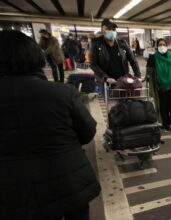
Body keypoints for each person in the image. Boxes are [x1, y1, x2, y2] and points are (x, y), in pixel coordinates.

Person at [0, 30, 100, 220]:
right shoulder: (61, 93)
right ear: (35, 55)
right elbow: (88, 132)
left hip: (14, 195)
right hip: (68, 182)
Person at [146, 39, 171, 131]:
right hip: (161, 87)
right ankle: (165, 124)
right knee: (163, 107)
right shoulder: (153, 58)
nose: (162, 46)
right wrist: (150, 85)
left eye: (164, 44)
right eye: (160, 45)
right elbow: (149, 72)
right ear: (157, 46)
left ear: (166, 46)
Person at [90, 18, 141, 85]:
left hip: (122, 82)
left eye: (113, 29)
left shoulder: (123, 43)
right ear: (102, 29)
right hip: (105, 83)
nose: (111, 31)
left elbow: (133, 61)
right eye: (108, 29)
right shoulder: (96, 43)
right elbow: (93, 64)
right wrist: (105, 78)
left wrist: (137, 76)